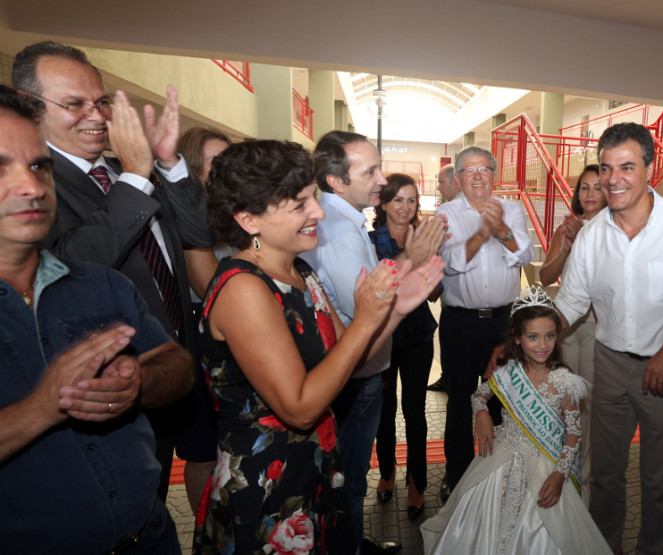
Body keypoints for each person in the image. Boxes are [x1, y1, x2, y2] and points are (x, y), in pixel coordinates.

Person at [193, 140, 444, 554]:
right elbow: (300, 406)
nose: (319, 213)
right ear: (248, 219)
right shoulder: (243, 289)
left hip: (311, 468)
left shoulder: (299, 270)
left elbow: (347, 358)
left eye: (313, 197)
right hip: (267, 486)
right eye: (300, 204)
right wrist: (367, 318)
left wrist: (396, 310)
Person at [12, 41, 212, 500]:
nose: (97, 116)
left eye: (101, 102)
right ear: (29, 106)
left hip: (168, 372)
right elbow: (67, 263)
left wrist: (164, 162)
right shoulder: (35, 183)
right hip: (104, 394)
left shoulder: (129, 170)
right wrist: (139, 176)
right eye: (74, 104)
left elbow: (197, 234)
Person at [553, 122, 663, 554]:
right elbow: (570, 302)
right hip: (608, 366)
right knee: (604, 475)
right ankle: (604, 546)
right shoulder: (591, 236)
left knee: (659, 481)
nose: (612, 179)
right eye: (606, 168)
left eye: (626, 167)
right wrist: (523, 340)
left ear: (651, 168)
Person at [301, 130, 445, 555]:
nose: (382, 180)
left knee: (346, 478)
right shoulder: (341, 234)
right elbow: (369, 310)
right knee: (348, 480)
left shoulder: (347, 224)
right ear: (337, 182)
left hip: (359, 372)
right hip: (354, 377)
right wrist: (411, 263)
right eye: (371, 170)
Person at [421, 285, 611, 554]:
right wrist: (483, 414)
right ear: (517, 337)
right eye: (533, 336)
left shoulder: (564, 382)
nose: (542, 344)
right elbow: (478, 395)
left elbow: (573, 434)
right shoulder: (508, 373)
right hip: (502, 460)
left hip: (548, 467)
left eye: (550, 336)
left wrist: (560, 474)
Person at [435, 145, 533, 499]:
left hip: (503, 324)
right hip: (460, 323)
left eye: (484, 169)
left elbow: (524, 253)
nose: (477, 176)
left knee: (502, 401)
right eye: (469, 170)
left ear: (494, 175)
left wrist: (502, 229)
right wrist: (482, 234)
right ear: (458, 178)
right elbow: (450, 263)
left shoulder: (513, 209)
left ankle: (497, 476)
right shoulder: (445, 213)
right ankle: (458, 477)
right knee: (460, 402)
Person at [370, 174, 439, 520]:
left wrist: (434, 261)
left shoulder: (423, 239)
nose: (405, 207)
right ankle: (386, 471)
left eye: (412, 200)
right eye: (398, 199)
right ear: (383, 204)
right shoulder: (368, 241)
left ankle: (417, 481)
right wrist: (411, 256)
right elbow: (379, 286)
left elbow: (435, 292)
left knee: (415, 409)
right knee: (384, 408)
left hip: (417, 335)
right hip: (382, 336)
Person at [538, 163, 605, 506]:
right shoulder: (566, 228)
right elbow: (545, 278)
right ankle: (562, 474)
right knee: (565, 407)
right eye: (584, 188)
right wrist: (567, 244)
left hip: (597, 327)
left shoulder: (613, 229)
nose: (590, 194)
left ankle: (587, 490)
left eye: (597, 187)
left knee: (589, 409)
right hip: (566, 328)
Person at [174, 126, 232, 515]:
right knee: (203, 448)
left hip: (234, 325)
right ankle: (203, 528)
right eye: (217, 161)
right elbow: (206, 283)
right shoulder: (186, 214)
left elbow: (261, 252)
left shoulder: (232, 210)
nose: (227, 169)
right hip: (199, 329)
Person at [426, 164, 460, 393]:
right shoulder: (445, 211)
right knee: (450, 349)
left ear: (454, 181)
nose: (438, 187)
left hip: (464, 298)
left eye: (441, 182)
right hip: (451, 297)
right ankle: (447, 378)